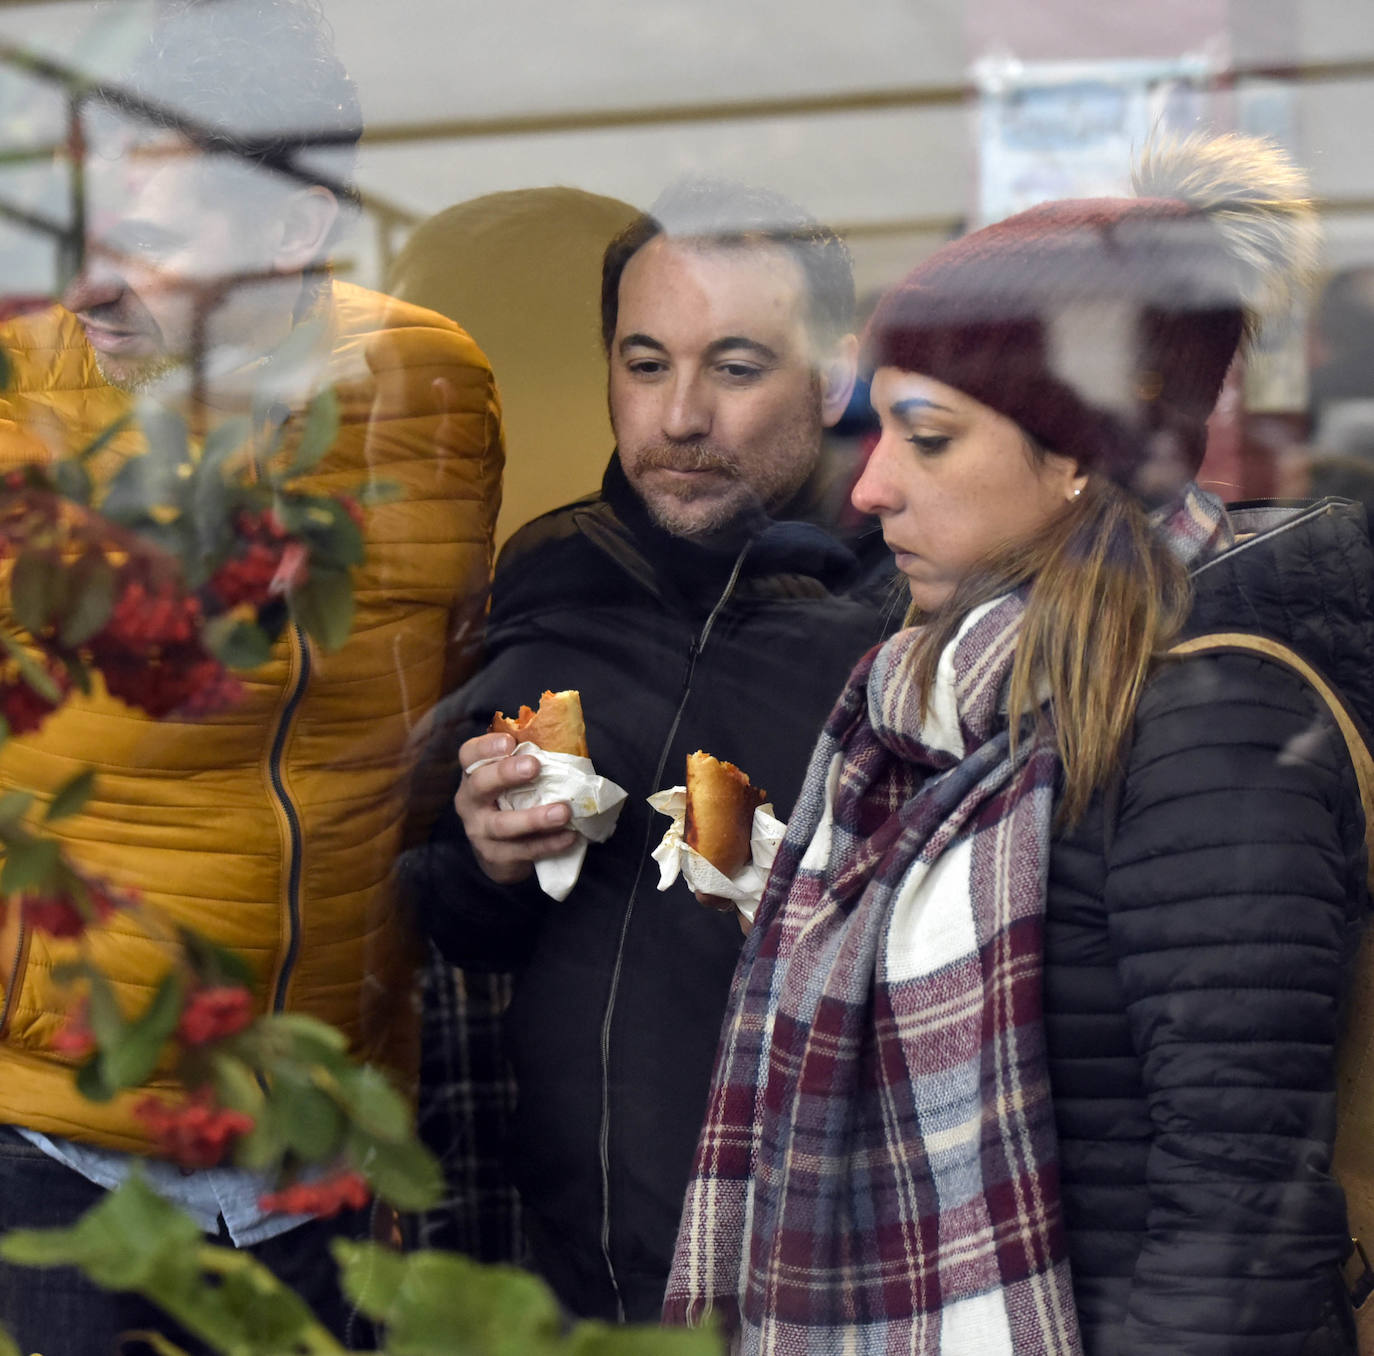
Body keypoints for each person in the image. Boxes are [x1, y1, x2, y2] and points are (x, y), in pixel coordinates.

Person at [667, 134, 1370, 1355]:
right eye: (876, 434)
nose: (869, 489)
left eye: (927, 437)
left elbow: (1238, 1224)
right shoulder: (920, 718)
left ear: (1079, 459)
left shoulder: (1214, 734)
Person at [0, 1, 502, 1350]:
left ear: (294, 226)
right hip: (58, 1144)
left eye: (144, 244)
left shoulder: (425, 380)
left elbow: (431, 693)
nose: (86, 284)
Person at [407, 179, 902, 1321]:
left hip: (821, 1283)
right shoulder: (547, 581)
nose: (680, 418)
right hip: (572, 1272)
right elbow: (465, 935)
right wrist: (484, 857)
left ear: (832, 377)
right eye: (644, 364)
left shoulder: (902, 626)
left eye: (734, 368)